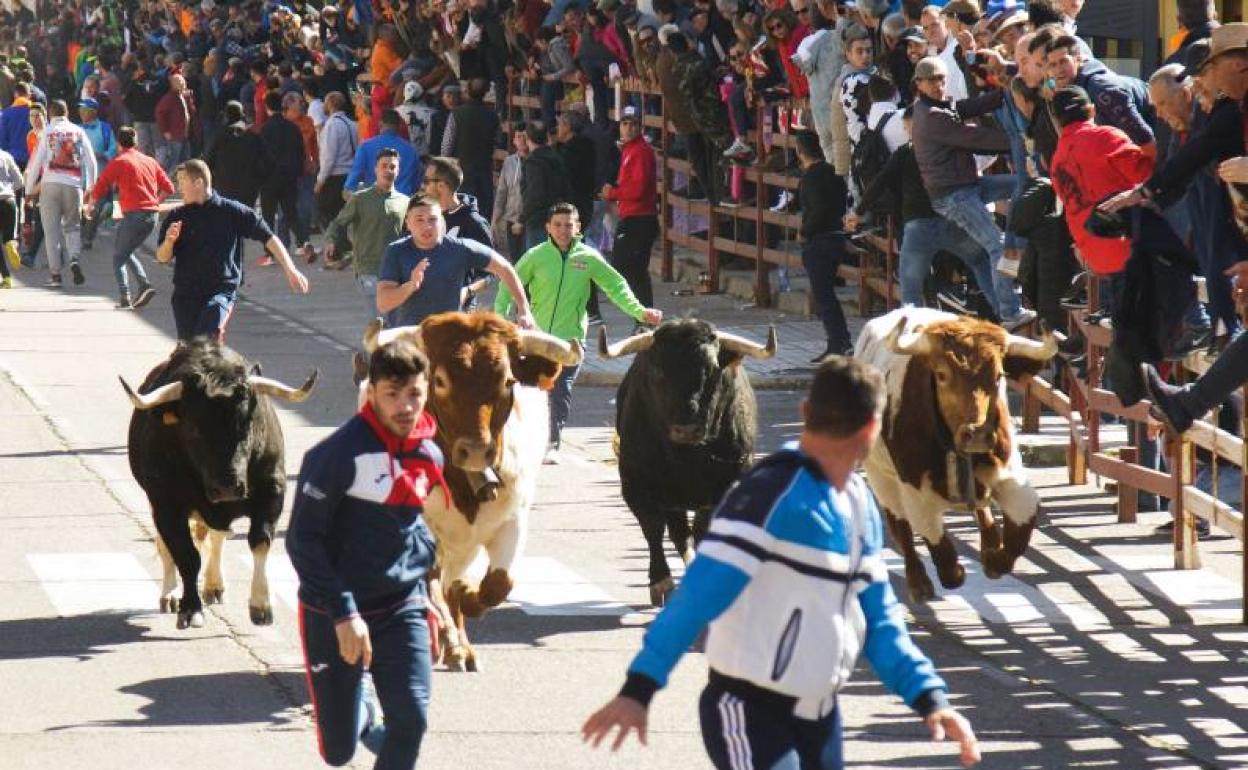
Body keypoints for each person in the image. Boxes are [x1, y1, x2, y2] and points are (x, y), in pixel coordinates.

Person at [581, 356, 981, 770]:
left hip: (821, 719)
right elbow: (697, 599)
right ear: (873, 429)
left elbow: (876, 620)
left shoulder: (858, 503)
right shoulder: (768, 496)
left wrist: (929, 698)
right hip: (748, 713)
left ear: (805, 412)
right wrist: (639, 688)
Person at [287, 338, 442, 770]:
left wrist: (429, 591)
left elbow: (412, 526)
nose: (405, 407)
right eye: (393, 394)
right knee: (338, 751)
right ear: (371, 392)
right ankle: (364, 711)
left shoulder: (430, 454)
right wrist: (343, 613)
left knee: (411, 720)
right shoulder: (335, 455)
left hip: (401, 604)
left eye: (414, 393)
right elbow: (303, 541)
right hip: (332, 611)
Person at [495, 202, 662, 463]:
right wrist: (500, 318)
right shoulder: (535, 256)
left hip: (570, 340)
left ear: (578, 227)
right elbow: (509, 284)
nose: (563, 230)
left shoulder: (589, 258)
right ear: (548, 227)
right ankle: (522, 439)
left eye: (568, 225)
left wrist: (640, 312)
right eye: (558, 225)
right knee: (529, 390)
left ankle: (552, 443)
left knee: (560, 390)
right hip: (536, 339)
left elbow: (616, 286)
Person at [911, 56, 1035, 330]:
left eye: (941, 79)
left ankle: (1018, 241)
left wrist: (1003, 92)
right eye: (931, 80)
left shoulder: (938, 106)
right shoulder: (930, 116)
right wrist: (1021, 140)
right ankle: (1010, 312)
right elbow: (975, 138)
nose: (938, 85)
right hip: (953, 195)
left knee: (1024, 184)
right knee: (998, 246)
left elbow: (968, 106)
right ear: (919, 84)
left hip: (967, 184)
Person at [156, 160, 310, 342]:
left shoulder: (231, 211)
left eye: (182, 181)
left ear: (198, 183)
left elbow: (269, 237)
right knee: (188, 352)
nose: (178, 187)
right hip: (186, 294)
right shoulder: (177, 216)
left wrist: (290, 269)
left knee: (206, 340)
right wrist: (169, 242)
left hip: (220, 292)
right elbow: (162, 257)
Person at [376, 195, 535, 330]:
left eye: (433, 219)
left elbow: (504, 267)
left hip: (448, 337)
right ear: (408, 223)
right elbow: (383, 303)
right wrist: (411, 285)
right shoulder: (396, 251)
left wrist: (524, 309)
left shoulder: (460, 248)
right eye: (419, 220)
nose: (427, 226)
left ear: (442, 221)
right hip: (408, 339)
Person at [86, 126, 174, 310]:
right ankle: (143, 285)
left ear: (118, 144)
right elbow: (169, 188)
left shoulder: (119, 161)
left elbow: (101, 185)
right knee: (126, 251)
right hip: (152, 215)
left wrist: (91, 205)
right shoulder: (149, 161)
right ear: (136, 143)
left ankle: (126, 295)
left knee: (119, 256)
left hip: (134, 215)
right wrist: (155, 202)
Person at [324, 148, 409, 322]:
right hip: (368, 270)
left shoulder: (405, 202)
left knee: (393, 322)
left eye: (392, 167)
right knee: (379, 321)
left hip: (395, 272)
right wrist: (331, 241)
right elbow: (338, 223)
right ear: (375, 169)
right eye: (384, 166)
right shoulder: (360, 199)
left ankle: (372, 349)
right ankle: (374, 349)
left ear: (398, 171)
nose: (388, 170)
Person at [24, 99, 97, 289]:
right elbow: (91, 161)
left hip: (50, 185)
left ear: (50, 113)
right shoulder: (79, 131)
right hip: (74, 185)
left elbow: (36, 162)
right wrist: (91, 187)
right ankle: (74, 259)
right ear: (67, 112)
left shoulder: (47, 132)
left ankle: (55, 275)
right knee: (73, 227)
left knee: (51, 232)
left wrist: (29, 190)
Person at [794, 131, 854, 362]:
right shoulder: (833, 172)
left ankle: (838, 342)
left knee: (824, 296)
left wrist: (804, 230)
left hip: (819, 240)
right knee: (826, 294)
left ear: (800, 151)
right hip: (836, 236)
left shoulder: (811, 177)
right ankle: (840, 340)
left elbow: (817, 210)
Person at [602, 107, 658, 312]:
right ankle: (643, 314)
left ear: (640, 127)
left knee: (630, 268)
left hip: (640, 219)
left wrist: (614, 193)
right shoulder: (629, 149)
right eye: (625, 123)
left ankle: (644, 314)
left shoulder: (640, 151)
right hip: (634, 217)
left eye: (634, 124)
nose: (629, 128)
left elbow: (639, 189)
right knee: (631, 268)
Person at [347, 109, 421, 196]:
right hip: (402, 204)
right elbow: (416, 184)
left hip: (373, 201)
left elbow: (351, 183)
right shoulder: (411, 150)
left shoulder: (365, 147)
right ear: (399, 126)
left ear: (380, 125)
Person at [492, 125, 530, 260]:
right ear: (514, 140)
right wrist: (496, 217)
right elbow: (502, 190)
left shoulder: (535, 161)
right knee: (515, 258)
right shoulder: (509, 162)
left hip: (530, 219)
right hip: (511, 217)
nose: (522, 140)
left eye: (525, 136)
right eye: (519, 137)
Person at [0, 146, 21, 289]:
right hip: (9, 201)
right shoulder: (6, 156)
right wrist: (8, 190)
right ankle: (11, 244)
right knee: (8, 238)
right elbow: (19, 181)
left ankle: (6, 277)